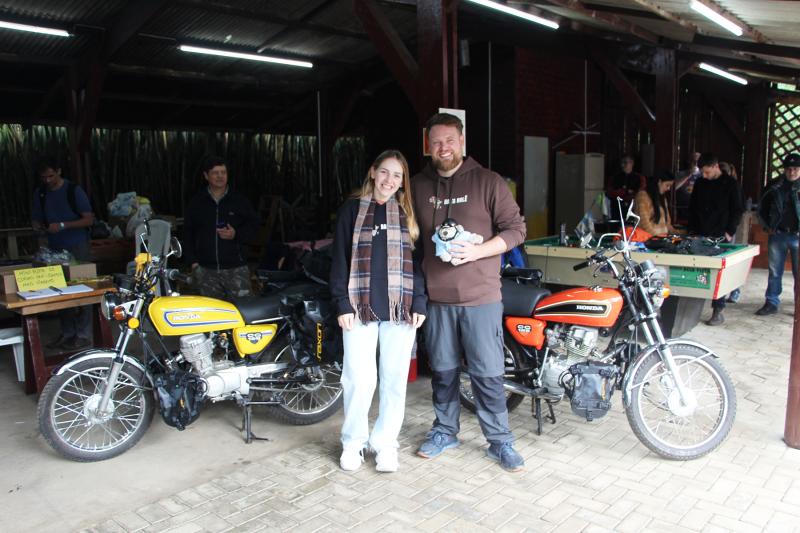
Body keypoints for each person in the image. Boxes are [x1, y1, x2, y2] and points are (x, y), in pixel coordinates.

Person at [411, 113, 527, 472]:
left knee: (488, 374)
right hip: (437, 299)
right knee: (443, 371)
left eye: (449, 140)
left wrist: (479, 251)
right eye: (436, 142)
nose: (443, 148)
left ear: (462, 141)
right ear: (428, 145)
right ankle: (445, 430)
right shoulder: (416, 186)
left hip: (481, 298)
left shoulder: (489, 182)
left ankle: (500, 441)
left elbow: (516, 230)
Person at [329, 149, 427, 473]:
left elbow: (420, 265)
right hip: (358, 307)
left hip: (401, 310)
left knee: (394, 380)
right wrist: (342, 303)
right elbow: (339, 260)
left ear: (403, 182)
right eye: (384, 172)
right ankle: (353, 443)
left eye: (397, 176)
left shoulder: (408, 214)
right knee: (358, 378)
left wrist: (420, 302)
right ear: (373, 172)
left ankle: (385, 444)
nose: (389, 180)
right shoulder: (351, 210)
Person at [30, 156, 95, 350]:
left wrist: (63, 225)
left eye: (50, 176)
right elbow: (35, 219)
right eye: (44, 177)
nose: (47, 181)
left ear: (59, 171)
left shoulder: (73, 191)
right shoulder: (40, 193)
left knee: (84, 290)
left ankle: (84, 334)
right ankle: (68, 333)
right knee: (58, 292)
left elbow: (89, 220)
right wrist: (39, 228)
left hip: (77, 246)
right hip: (54, 249)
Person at [182, 156, 259, 299]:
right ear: (206, 176)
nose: (220, 176)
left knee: (245, 311)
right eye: (215, 173)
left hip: (236, 268)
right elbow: (188, 233)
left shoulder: (239, 201)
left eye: (223, 172)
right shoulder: (197, 202)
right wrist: (193, 262)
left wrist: (236, 234)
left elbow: (254, 227)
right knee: (212, 315)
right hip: (206, 270)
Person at [688, 153, 744, 326]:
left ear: (715, 166)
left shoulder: (731, 184)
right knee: (696, 271)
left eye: (707, 172)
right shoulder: (700, 183)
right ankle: (690, 310)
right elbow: (693, 207)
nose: (704, 176)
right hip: (701, 232)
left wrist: (730, 231)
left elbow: (737, 209)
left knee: (720, 275)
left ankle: (717, 311)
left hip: (722, 233)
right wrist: (693, 230)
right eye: (702, 172)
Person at [754, 153, 800, 316]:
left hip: (797, 235)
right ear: (784, 170)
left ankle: (798, 306)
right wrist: (767, 227)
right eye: (789, 169)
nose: (792, 172)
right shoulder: (774, 186)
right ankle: (771, 302)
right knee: (774, 271)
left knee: (798, 273)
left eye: (795, 169)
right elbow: (762, 207)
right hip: (778, 234)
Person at [634, 172, 681, 236]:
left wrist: (682, 233)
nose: (668, 188)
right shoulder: (642, 196)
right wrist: (658, 238)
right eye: (667, 185)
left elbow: (667, 225)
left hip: (662, 239)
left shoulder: (662, 198)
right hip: (650, 240)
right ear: (659, 182)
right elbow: (644, 224)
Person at [675, 151, 701, 223]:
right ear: (689, 162)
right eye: (694, 161)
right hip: (682, 209)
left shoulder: (704, 175)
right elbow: (674, 188)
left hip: (698, 210)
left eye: (698, 162)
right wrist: (688, 175)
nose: (696, 164)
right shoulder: (680, 174)